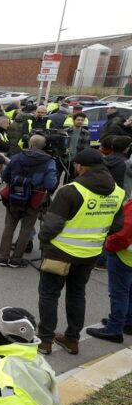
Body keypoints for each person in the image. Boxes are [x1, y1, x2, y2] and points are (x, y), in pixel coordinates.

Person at [37, 148, 124, 355]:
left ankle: (45, 341)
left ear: (80, 166)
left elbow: (50, 226)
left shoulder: (70, 190)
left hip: (60, 252)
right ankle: (72, 339)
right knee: (77, 295)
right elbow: (117, 225)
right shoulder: (118, 192)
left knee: (49, 295)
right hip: (90, 254)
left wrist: (43, 240)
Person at [0, 135, 58, 268]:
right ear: (44, 146)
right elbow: (50, 184)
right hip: (35, 198)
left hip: (14, 196)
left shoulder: (17, 157)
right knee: (26, 229)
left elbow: (5, 176)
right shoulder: (49, 161)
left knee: (9, 226)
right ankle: (16, 259)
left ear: (30, 144)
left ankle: (3, 257)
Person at [87, 195, 132, 342]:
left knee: (119, 292)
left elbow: (123, 232)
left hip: (125, 254)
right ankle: (127, 322)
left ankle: (115, 328)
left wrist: (109, 245)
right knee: (129, 291)